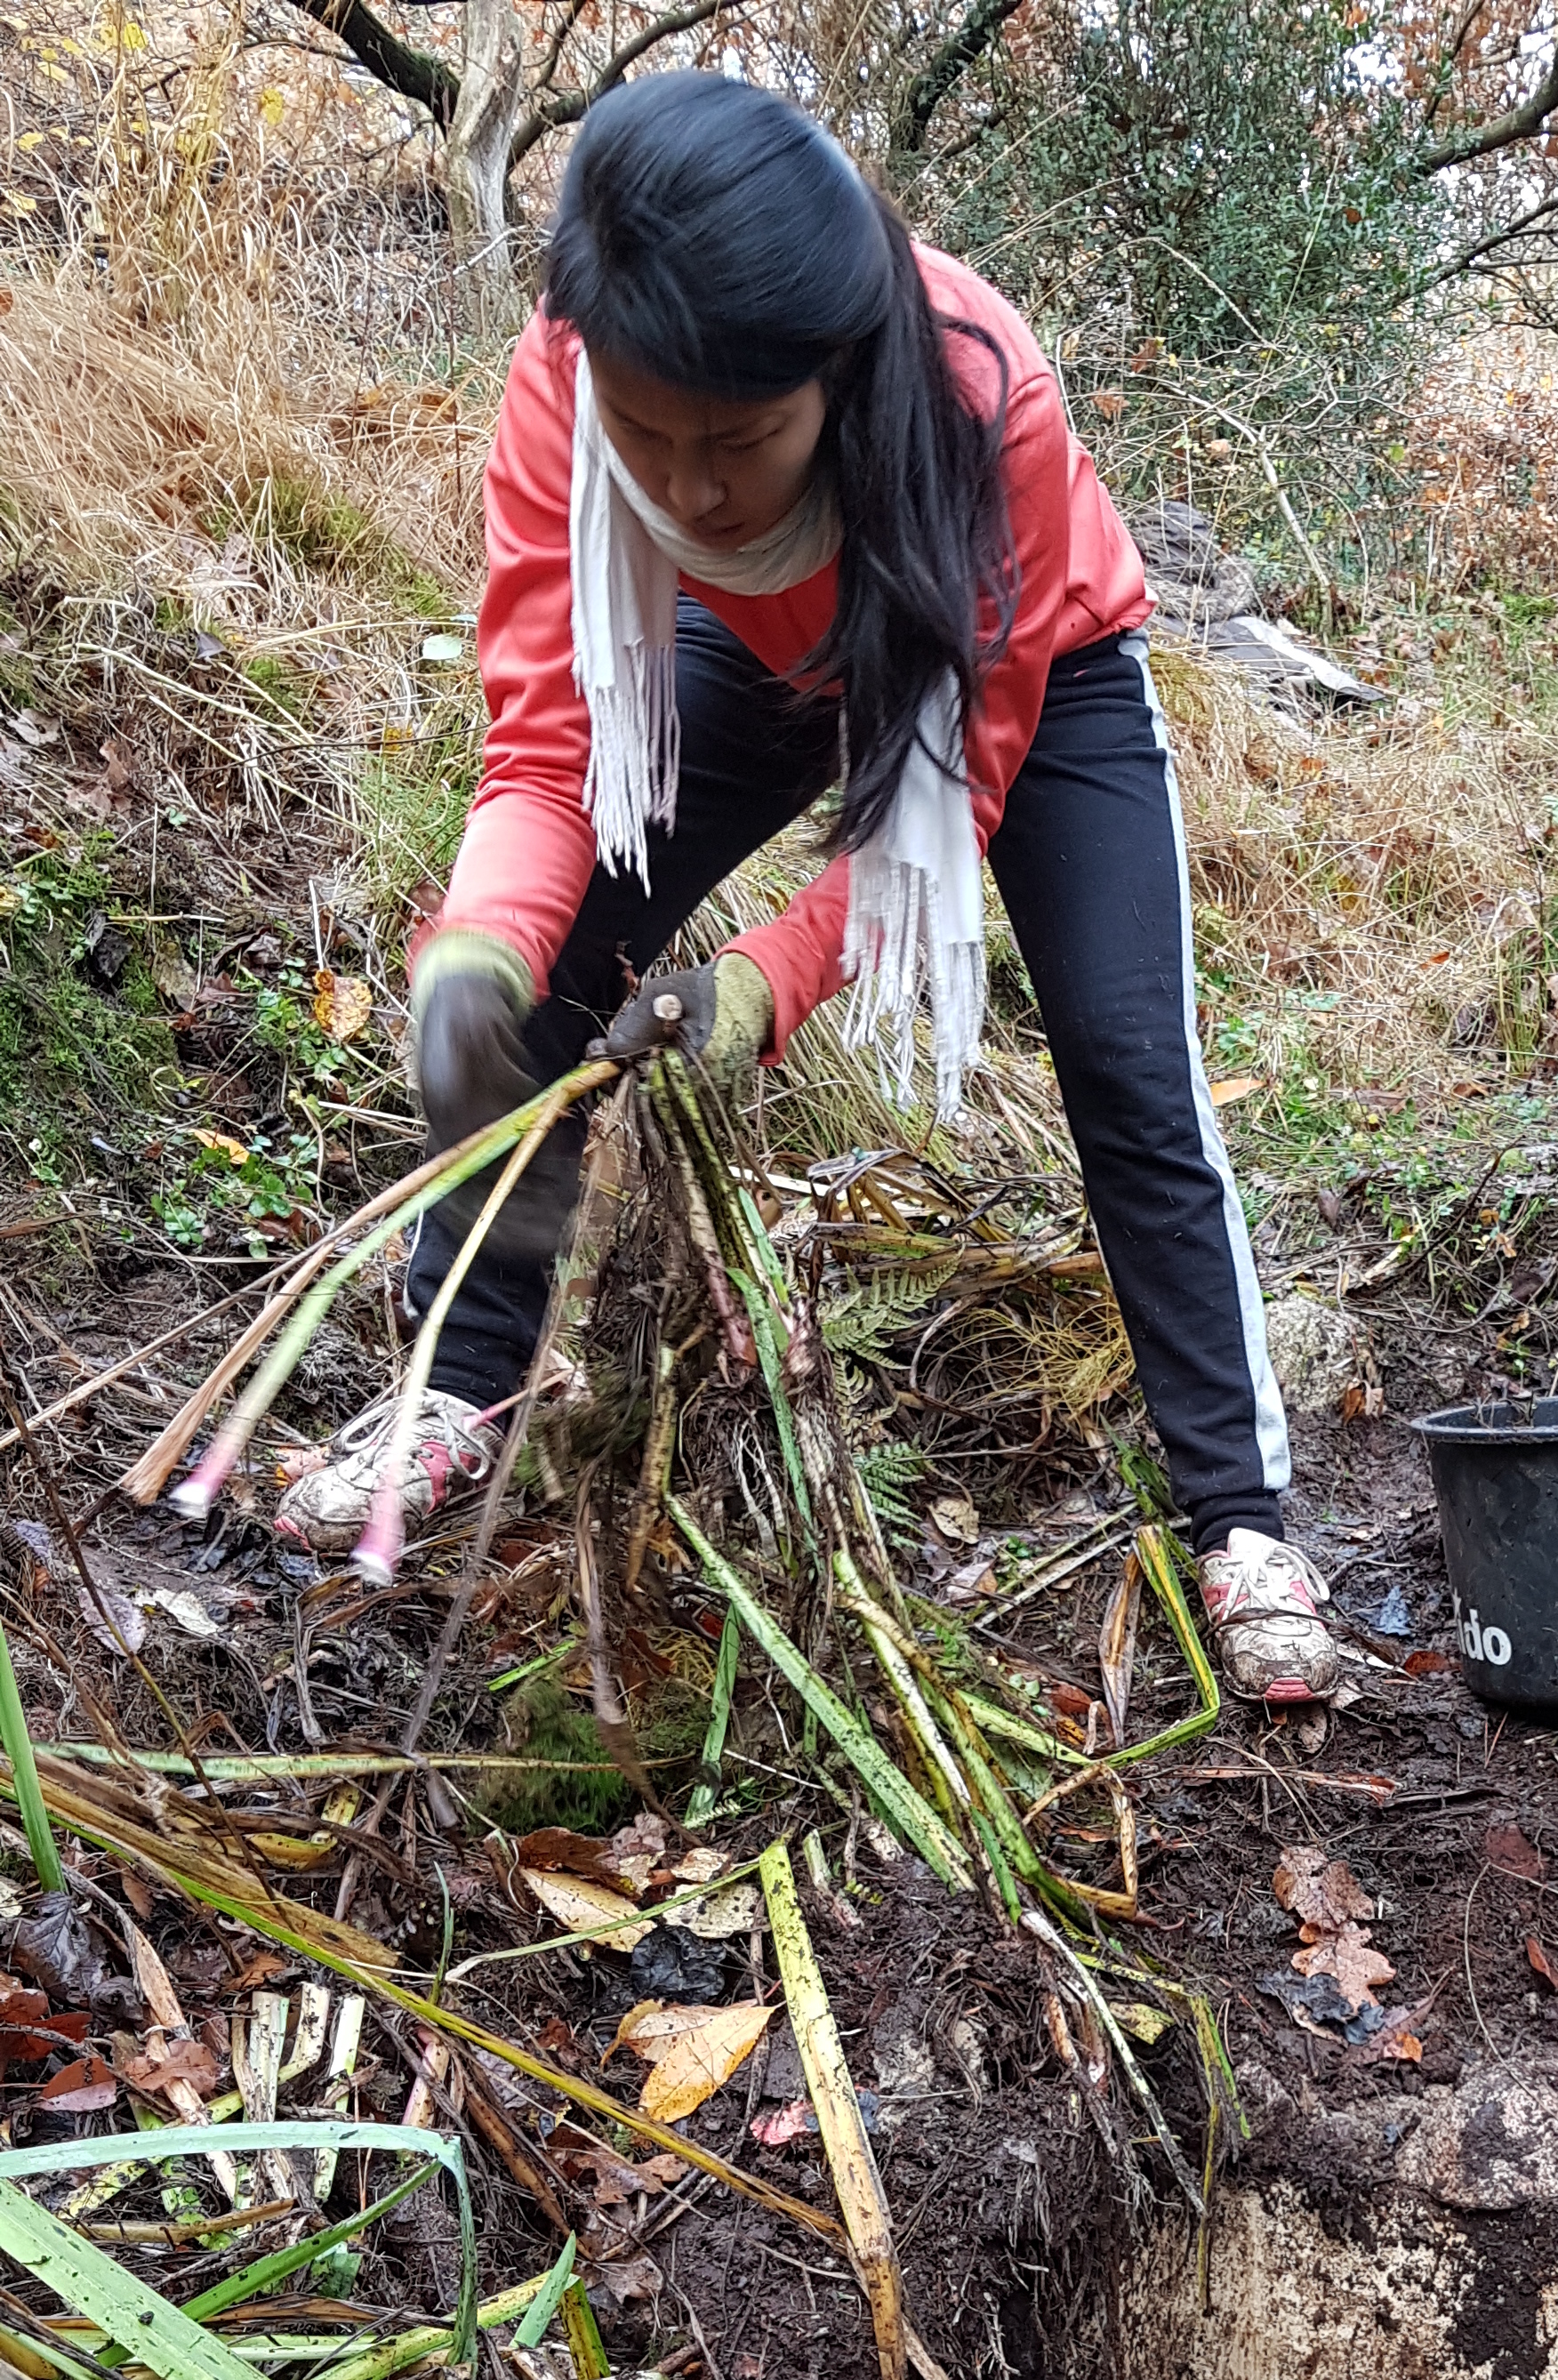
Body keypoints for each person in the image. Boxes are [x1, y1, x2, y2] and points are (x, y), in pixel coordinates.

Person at [278, 73, 1337, 1707]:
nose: (691, 492)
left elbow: (937, 805)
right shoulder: (563, 380)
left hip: (1020, 673)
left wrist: (762, 986)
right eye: (651, 439)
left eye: (743, 441)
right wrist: (480, 946)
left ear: (833, 380)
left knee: (1128, 1059)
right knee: (546, 977)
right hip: (740, 657)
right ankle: (456, 1390)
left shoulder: (985, 408)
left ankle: (1244, 1518)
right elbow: (549, 748)